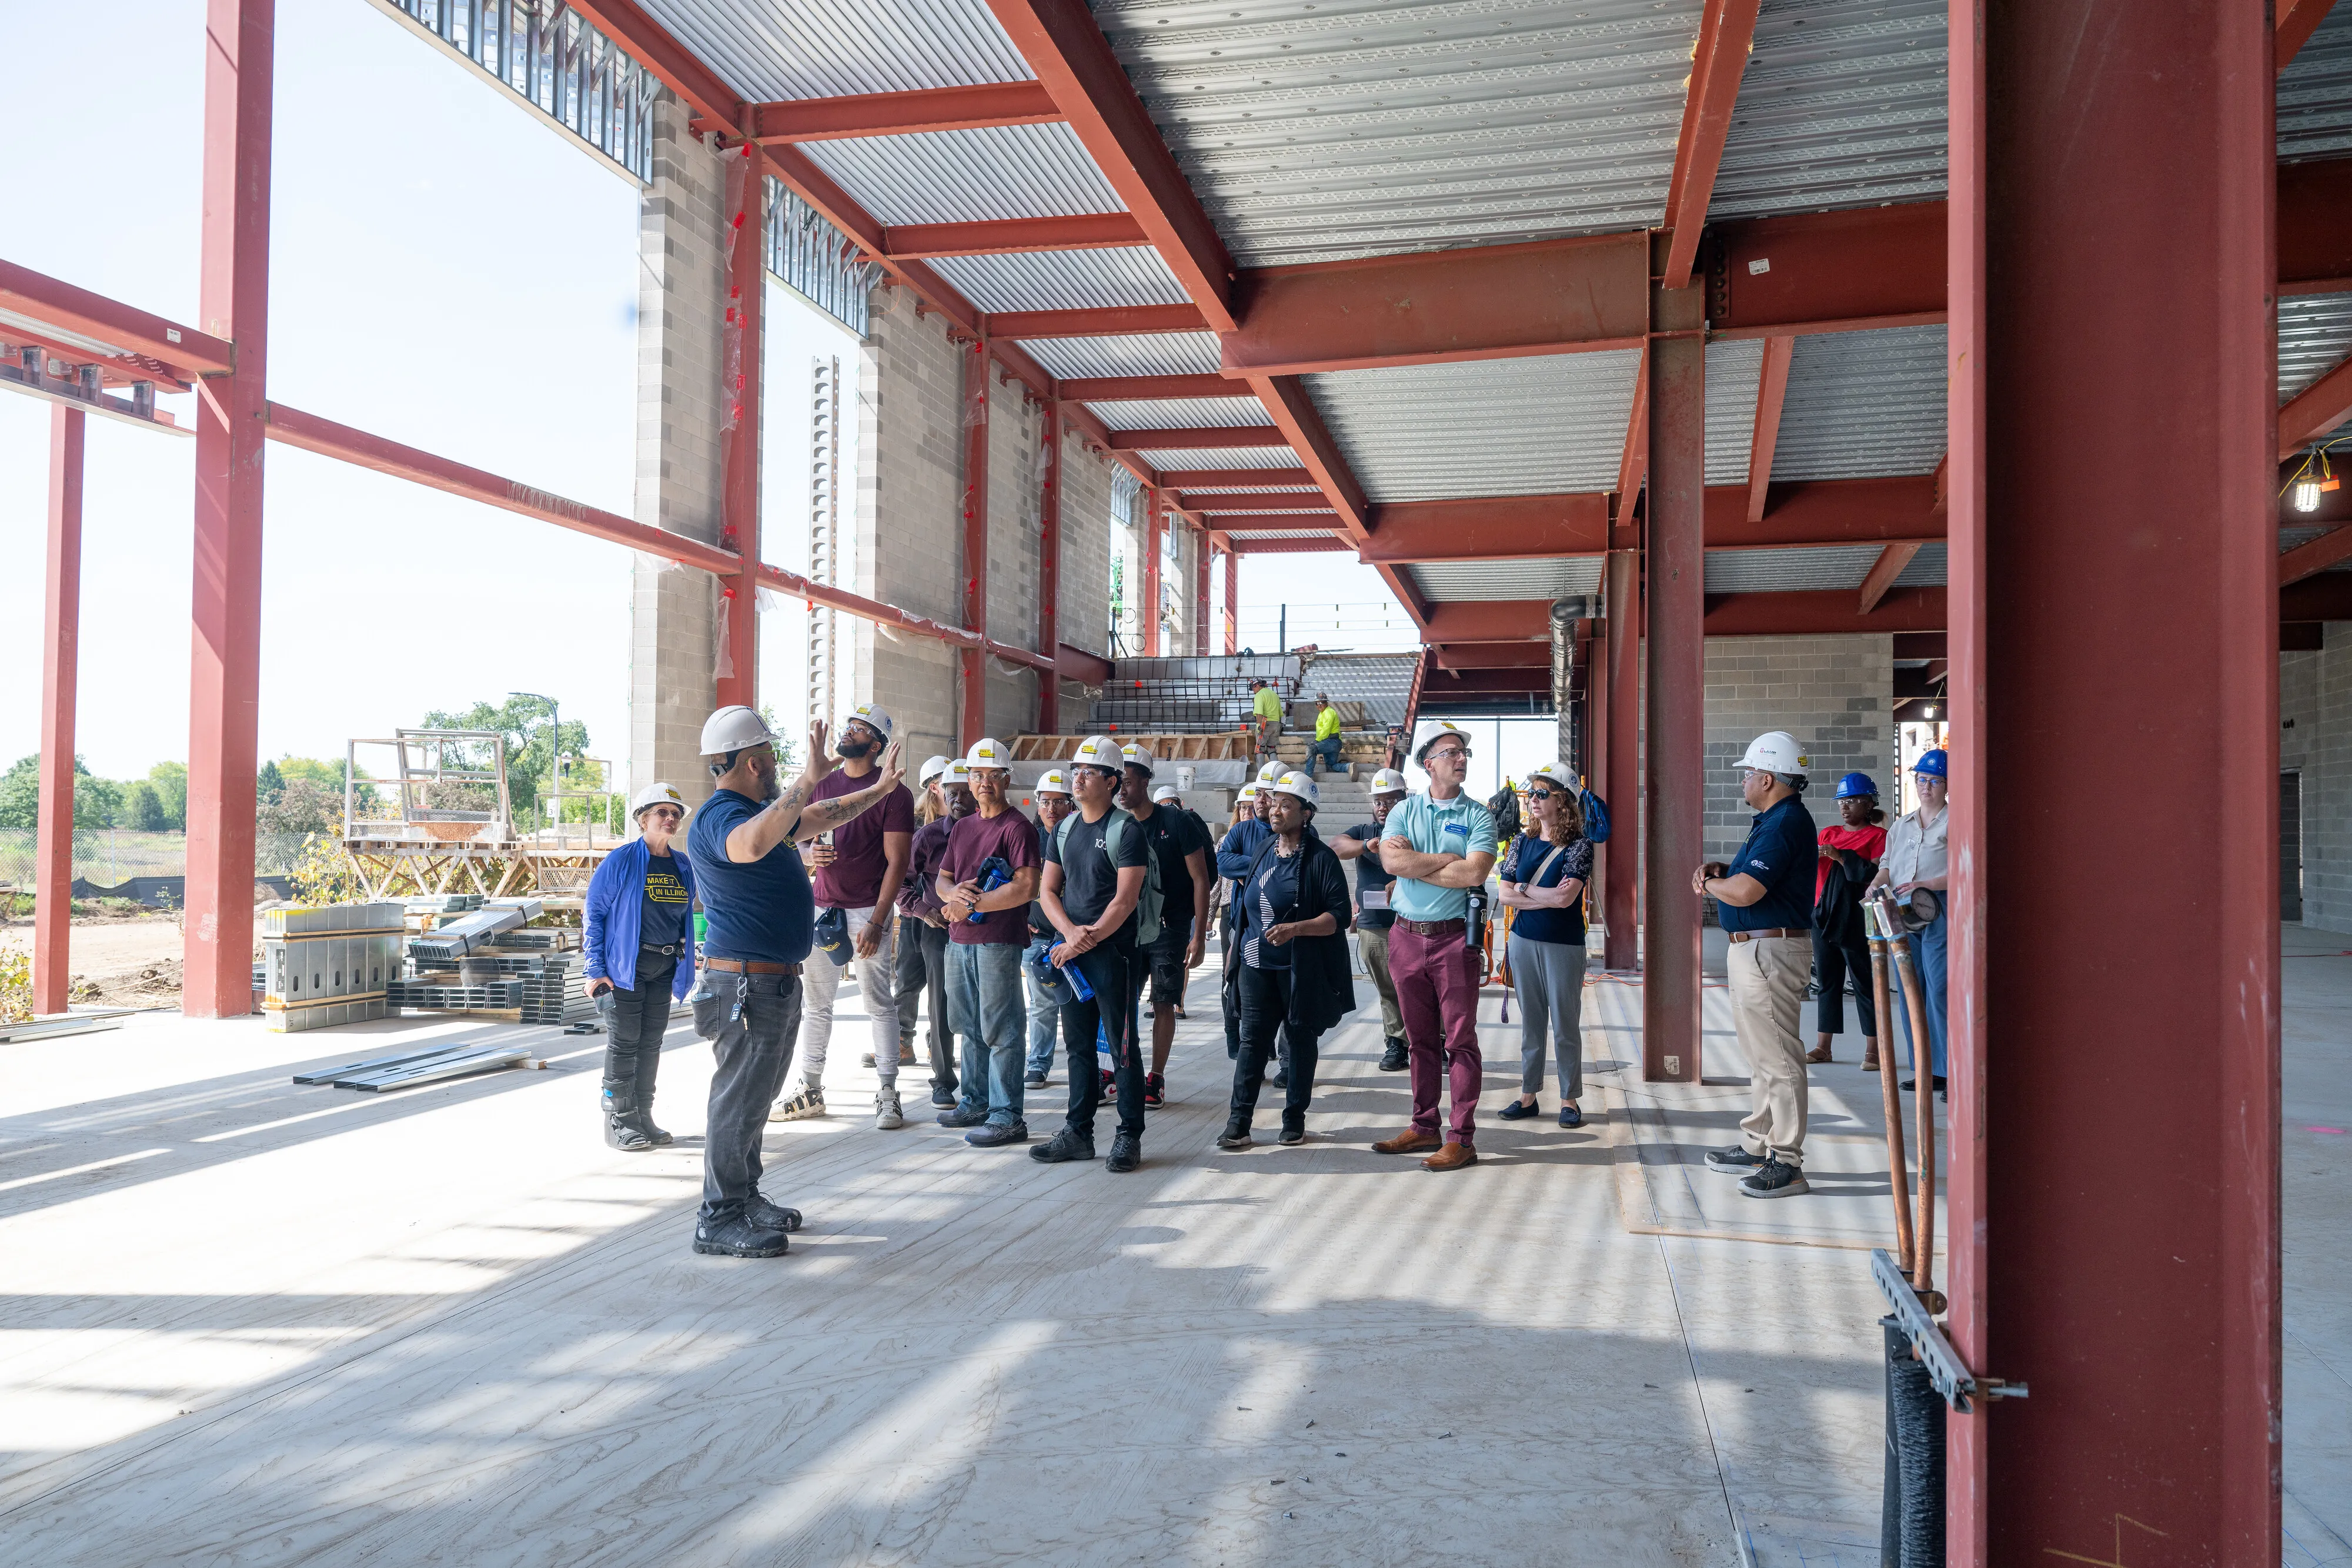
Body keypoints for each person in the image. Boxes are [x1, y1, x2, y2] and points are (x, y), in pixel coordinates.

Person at [685, 707, 904, 1258]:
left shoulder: (762, 809)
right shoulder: (720, 817)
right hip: (744, 986)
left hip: (771, 983)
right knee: (737, 1100)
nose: (780, 771)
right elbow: (753, 845)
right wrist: (807, 780)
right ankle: (719, 1215)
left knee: (755, 1100)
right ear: (755, 762)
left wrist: (879, 790)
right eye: (774, 761)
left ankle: (744, 1195)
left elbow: (823, 812)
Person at [770, 704, 913, 1127]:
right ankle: (810, 1088)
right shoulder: (823, 785)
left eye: (859, 729)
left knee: (878, 1002)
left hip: (868, 910)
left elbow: (898, 862)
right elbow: (794, 837)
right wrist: (808, 853)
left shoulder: (894, 793)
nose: (849, 732)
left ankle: (888, 1091)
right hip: (823, 908)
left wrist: (877, 921)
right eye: (849, 725)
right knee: (817, 1004)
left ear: (875, 744)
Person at [1696, 731, 1820, 1200]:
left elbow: (1750, 892)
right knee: (1762, 1057)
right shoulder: (1773, 819)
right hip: (1757, 949)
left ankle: (1786, 1161)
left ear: (1767, 778)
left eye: (1749, 773)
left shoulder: (1785, 822)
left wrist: (1709, 886)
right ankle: (1759, 1143)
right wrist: (1723, 871)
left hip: (1770, 951)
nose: (1744, 780)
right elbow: (1748, 879)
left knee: (1780, 1060)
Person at [1371, 722, 1497, 1172]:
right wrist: (1447, 858)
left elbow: (1474, 873)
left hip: (1452, 939)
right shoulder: (1404, 811)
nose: (1461, 758)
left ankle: (1461, 1138)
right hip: (1406, 937)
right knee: (1420, 1040)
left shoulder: (1480, 815)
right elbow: (1391, 860)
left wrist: (1416, 866)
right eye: (1451, 752)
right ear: (1429, 763)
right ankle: (1424, 1125)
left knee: (1460, 1041)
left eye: (1464, 752)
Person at [1218, 771, 1356, 1149]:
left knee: (1299, 1040)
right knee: (1251, 1042)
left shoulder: (1322, 860)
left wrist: (1297, 929)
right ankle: (1239, 1122)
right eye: (1274, 802)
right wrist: (1235, 952)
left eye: (1286, 804)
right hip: (1255, 964)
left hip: (1299, 968)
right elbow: (1247, 907)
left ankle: (1294, 1118)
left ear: (1306, 813)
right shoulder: (1263, 849)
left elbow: (1338, 917)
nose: (1275, 810)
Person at [1034, 735, 1149, 1172]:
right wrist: (1069, 936)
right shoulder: (1064, 829)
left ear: (1112, 781)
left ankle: (1128, 1135)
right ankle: (1078, 1132)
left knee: (1121, 1049)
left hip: (1113, 954)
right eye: (1075, 770)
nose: (1076, 779)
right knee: (1078, 1046)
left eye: (1088, 772)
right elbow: (1047, 890)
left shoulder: (1127, 830)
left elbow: (1125, 900)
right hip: (1073, 953)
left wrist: (1086, 938)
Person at [935, 737, 1042, 1147]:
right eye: (976, 775)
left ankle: (1006, 1115)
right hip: (959, 940)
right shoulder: (963, 827)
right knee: (968, 1025)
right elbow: (943, 879)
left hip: (996, 941)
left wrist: (972, 904)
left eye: (991, 775)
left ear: (1006, 778)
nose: (982, 783)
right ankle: (976, 1101)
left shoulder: (1017, 827)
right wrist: (953, 897)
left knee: (1001, 1027)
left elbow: (1026, 887)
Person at [584, 781, 698, 1152]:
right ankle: (618, 1120)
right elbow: (595, 914)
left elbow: (688, 915)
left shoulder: (683, 865)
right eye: (662, 812)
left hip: (664, 966)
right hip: (624, 970)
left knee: (651, 1044)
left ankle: (643, 1116)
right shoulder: (621, 861)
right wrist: (595, 969)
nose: (670, 819)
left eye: (676, 814)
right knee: (623, 1044)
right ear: (643, 818)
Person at [1496, 763, 1595, 1129]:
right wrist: (1540, 895)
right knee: (1531, 1023)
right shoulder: (1520, 843)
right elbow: (1506, 894)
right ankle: (1528, 1095)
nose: (1533, 800)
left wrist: (1525, 891)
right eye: (1532, 794)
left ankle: (1569, 1100)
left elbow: (1567, 899)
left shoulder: (1580, 846)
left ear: (1563, 802)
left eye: (1542, 794)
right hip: (1523, 942)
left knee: (1565, 1024)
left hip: (1563, 945)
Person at [1119, 743, 1211, 1108]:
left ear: (1145, 780)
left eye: (1127, 781)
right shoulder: (1116, 824)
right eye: (1116, 782)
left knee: (1163, 1002)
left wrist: (1199, 935)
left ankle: (1155, 1078)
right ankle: (1120, 1072)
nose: (1121, 789)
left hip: (1168, 928)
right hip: (1126, 929)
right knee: (1121, 1003)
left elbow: (1201, 879)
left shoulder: (1177, 822)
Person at [1869, 749, 1949, 1095]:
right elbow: (1887, 865)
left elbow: (1967, 866)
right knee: (1909, 985)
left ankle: (1951, 1071)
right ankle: (1925, 1069)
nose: (1926, 786)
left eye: (1934, 781)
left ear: (1947, 785)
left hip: (1940, 907)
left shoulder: (1957, 820)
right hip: (1901, 907)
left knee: (1940, 987)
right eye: (1921, 779)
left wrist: (1927, 885)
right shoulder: (1901, 825)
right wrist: (1876, 884)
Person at [898, 758, 970, 1109]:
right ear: (941, 793)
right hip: (939, 932)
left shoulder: (993, 832)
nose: (958, 800)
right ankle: (943, 1080)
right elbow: (900, 883)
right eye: (952, 793)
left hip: (982, 931)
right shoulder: (927, 837)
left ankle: (979, 1079)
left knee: (980, 1006)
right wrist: (924, 912)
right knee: (939, 1006)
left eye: (965, 792)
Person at [1332, 767, 1410, 1072]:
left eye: (1390, 800)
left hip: (1414, 922)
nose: (1382, 807)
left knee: (1423, 986)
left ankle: (1436, 1042)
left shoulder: (1415, 830)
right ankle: (1397, 1044)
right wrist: (1367, 846)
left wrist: (1401, 881)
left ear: (1403, 800)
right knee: (1388, 989)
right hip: (1375, 925)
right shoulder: (1364, 832)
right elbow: (1336, 847)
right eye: (1378, 801)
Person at [1812, 772, 1887, 1068]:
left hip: (1856, 919)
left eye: (1854, 800)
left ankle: (1874, 1049)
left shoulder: (1879, 837)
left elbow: (1876, 876)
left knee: (1864, 982)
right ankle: (1823, 1046)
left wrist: (1842, 857)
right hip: (1823, 915)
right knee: (1827, 982)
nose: (1846, 806)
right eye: (1842, 801)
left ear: (1869, 805)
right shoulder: (1827, 833)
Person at [1023, 770, 1077, 1088]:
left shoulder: (1080, 834)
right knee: (1041, 1004)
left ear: (1071, 804)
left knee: (1076, 1002)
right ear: (1038, 805)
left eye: (1059, 802)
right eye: (1046, 802)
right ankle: (1038, 1064)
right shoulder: (1028, 839)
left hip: (1074, 935)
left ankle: (1081, 1062)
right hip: (1038, 935)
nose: (1052, 809)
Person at [1217, 781, 1272, 1065]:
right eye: (1246, 805)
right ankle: (1234, 1038)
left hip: (1272, 921)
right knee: (1233, 978)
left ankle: (1267, 1044)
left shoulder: (1283, 833)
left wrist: (1248, 869)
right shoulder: (1237, 834)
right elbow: (1222, 865)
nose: (1251, 808)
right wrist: (1262, 866)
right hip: (1237, 916)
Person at [1306, 692, 1345, 777]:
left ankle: (1308, 776)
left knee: (1311, 749)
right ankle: (1348, 767)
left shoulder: (1329, 712)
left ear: (1326, 703)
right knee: (1331, 768)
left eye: (1321, 703)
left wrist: (1317, 741)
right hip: (1330, 742)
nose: (1319, 705)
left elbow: (1326, 729)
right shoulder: (1322, 713)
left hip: (1332, 741)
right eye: (1317, 703)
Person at [1251, 678, 1284, 764]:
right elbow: (1281, 713)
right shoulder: (1275, 695)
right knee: (1271, 749)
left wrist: (1258, 725)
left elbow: (1259, 712)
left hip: (1265, 724)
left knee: (1260, 749)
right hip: (1276, 724)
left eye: (1253, 688)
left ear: (1257, 686)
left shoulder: (1259, 695)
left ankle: (1260, 775)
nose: (1253, 690)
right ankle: (1276, 772)